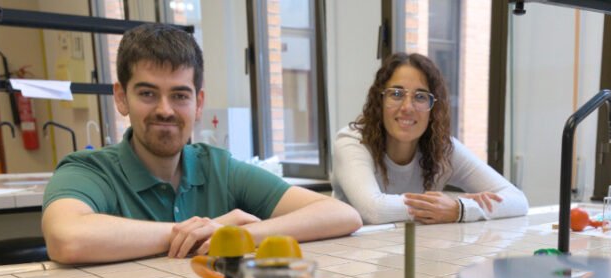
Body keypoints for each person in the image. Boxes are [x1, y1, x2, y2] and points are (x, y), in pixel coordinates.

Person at [42, 24, 361, 264]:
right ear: (122, 98)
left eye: (179, 95)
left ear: (198, 104)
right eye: (148, 93)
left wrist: (237, 236)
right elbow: (66, 238)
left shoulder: (219, 168)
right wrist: (200, 230)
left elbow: (341, 214)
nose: (165, 109)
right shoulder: (88, 170)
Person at [331, 53, 528, 225]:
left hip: (417, 252)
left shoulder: (443, 148)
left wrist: (458, 209)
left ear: (433, 108)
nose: (407, 107)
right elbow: (374, 210)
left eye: (420, 97)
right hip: (353, 259)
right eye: (397, 94)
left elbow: (517, 200)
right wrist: (447, 203)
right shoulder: (351, 142)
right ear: (379, 101)